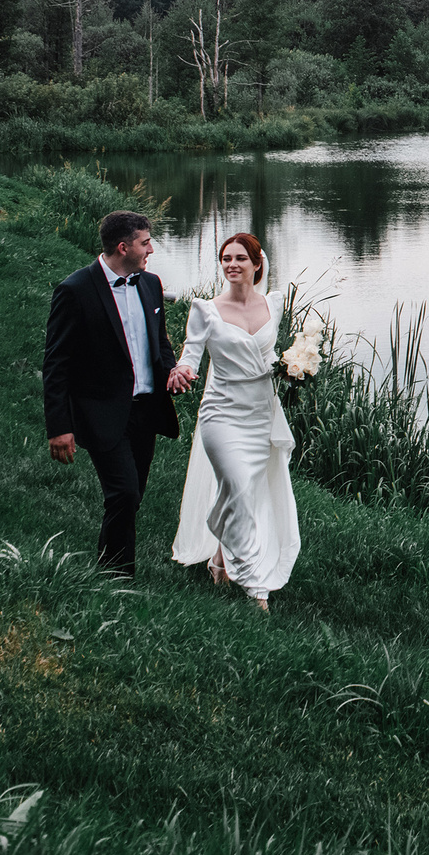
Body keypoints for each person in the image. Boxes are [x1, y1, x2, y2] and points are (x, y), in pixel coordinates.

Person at [44, 209, 181, 579]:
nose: (151, 249)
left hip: (146, 410)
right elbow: (56, 364)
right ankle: (115, 576)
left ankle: (113, 565)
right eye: (145, 242)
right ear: (123, 247)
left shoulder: (150, 284)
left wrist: (172, 371)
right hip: (103, 411)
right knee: (123, 493)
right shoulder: (75, 290)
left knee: (132, 495)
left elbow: (159, 344)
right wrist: (59, 427)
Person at [167, 231, 300, 609]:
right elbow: (190, 356)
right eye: (226, 258)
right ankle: (256, 587)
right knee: (239, 488)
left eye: (240, 258)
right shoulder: (205, 311)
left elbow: (271, 357)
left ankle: (222, 557)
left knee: (245, 493)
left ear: (257, 264)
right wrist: (182, 372)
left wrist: (293, 368)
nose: (232, 265)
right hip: (221, 414)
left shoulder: (273, 305)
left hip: (260, 414)